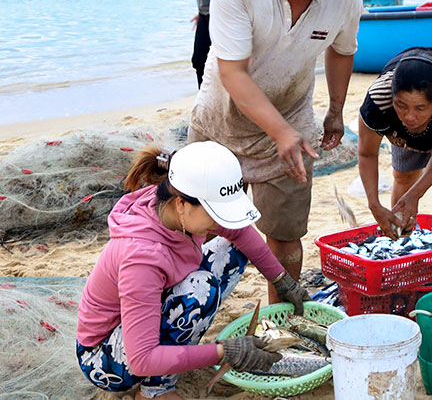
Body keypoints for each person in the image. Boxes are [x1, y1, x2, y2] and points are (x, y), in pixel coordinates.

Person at [188, 0, 362, 303]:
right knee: (197, 227)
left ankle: (280, 314)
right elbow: (233, 74)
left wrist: (335, 109)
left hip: (291, 117)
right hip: (221, 120)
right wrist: (281, 132)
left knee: (286, 233)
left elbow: (342, 49)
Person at [76, 142, 311, 399]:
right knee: (202, 290)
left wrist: (282, 280)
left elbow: (239, 231)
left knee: (233, 250)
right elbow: (142, 358)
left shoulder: (170, 205)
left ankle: (169, 363)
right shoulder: (141, 258)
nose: (220, 222)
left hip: (143, 316)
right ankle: (155, 391)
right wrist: (225, 352)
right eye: (215, 213)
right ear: (181, 204)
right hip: (107, 357)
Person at [357, 48, 432, 235]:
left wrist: (416, 194)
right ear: (392, 96)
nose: (410, 117)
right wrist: (374, 204)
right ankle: (401, 238)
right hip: (404, 80)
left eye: (420, 108)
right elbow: (367, 153)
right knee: (403, 175)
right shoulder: (378, 99)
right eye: (401, 106)